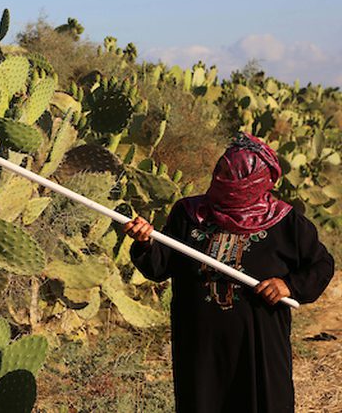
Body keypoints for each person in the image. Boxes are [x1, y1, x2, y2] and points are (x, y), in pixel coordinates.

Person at [124, 132, 334, 413]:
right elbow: (160, 266)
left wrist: (289, 285)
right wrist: (146, 242)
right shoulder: (188, 213)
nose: (219, 178)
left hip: (259, 346)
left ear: (251, 181)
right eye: (218, 169)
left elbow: (321, 265)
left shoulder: (286, 222)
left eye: (229, 173)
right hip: (200, 345)